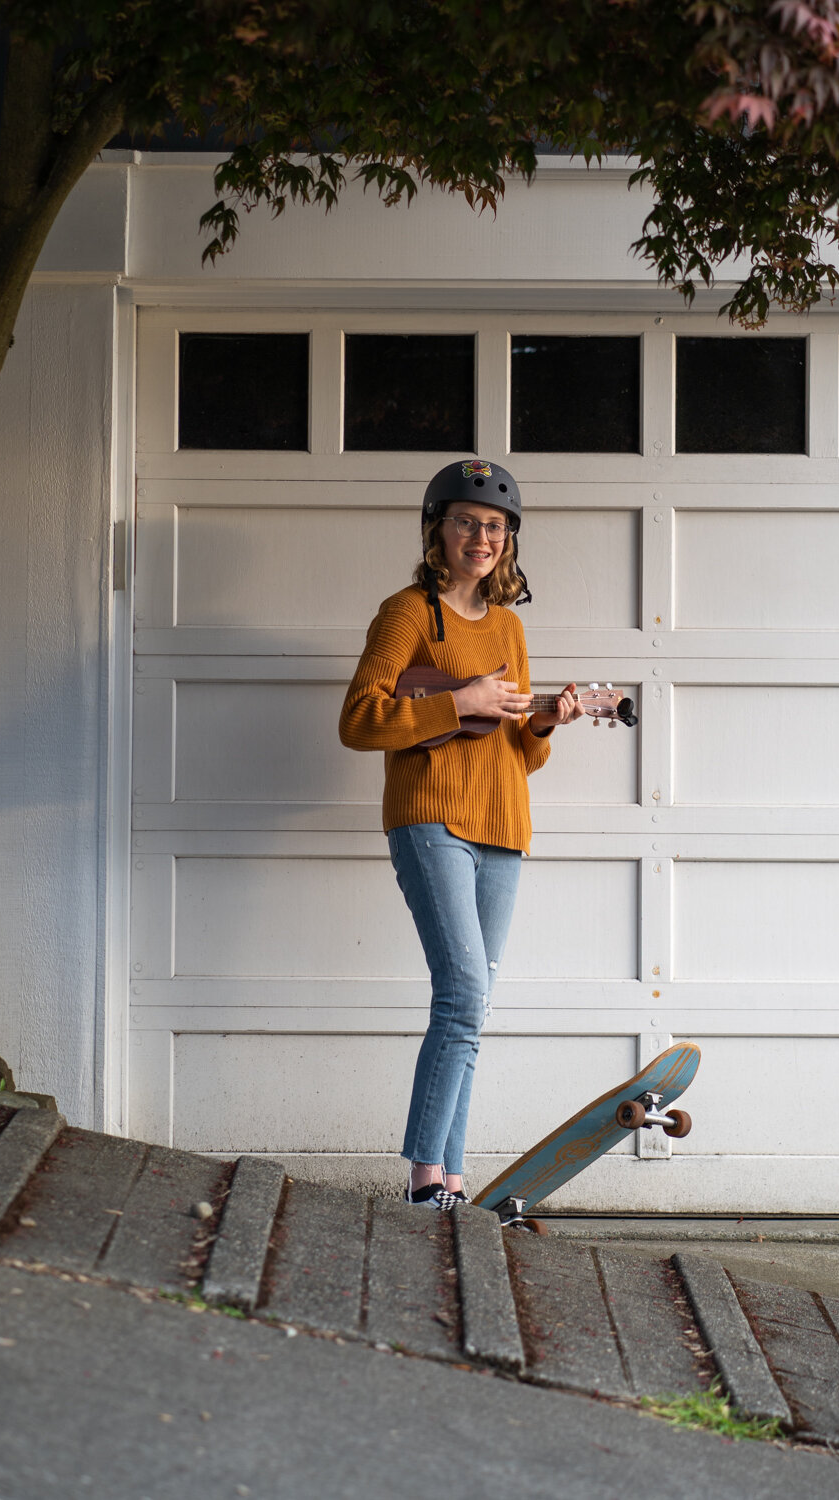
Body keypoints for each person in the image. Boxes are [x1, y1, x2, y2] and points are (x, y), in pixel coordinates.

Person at [339, 458, 583, 1209]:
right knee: (464, 992)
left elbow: (521, 753)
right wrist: (462, 699)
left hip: (503, 826)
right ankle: (422, 1180)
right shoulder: (407, 613)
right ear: (437, 530)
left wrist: (541, 722)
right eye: (468, 522)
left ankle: (451, 1176)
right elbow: (359, 720)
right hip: (431, 818)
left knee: (471, 1003)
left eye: (497, 526)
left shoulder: (509, 626)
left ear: (510, 542)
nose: (483, 537)